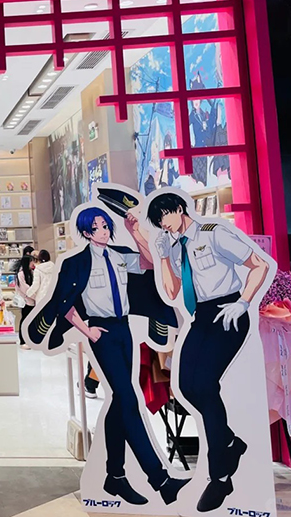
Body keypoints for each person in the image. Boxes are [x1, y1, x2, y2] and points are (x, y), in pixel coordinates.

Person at [27, 204, 188, 506]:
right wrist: (87, 331)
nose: (103, 231)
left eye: (105, 226)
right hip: (101, 333)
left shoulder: (120, 256)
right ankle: (161, 480)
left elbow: (150, 264)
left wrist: (135, 232)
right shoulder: (76, 262)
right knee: (127, 400)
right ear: (86, 232)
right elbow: (66, 300)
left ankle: (114, 477)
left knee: (119, 402)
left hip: (124, 329)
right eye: (97, 227)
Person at [148, 192, 271, 512]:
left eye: (164, 217)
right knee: (186, 385)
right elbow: (173, 291)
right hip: (201, 317)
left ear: (178, 209)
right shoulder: (176, 246)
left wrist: (243, 302)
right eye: (158, 222)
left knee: (203, 385)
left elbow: (258, 265)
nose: (163, 225)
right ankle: (229, 442)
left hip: (228, 311)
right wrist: (163, 257)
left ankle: (221, 477)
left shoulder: (213, 234)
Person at [14, 253, 35, 347]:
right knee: (25, 321)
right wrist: (34, 295)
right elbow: (25, 288)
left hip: (32, 301)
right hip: (26, 301)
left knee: (31, 322)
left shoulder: (32, 272)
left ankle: (30, 340)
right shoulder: (21, 274)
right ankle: (23, 341)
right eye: (31, 261)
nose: (33, 263)